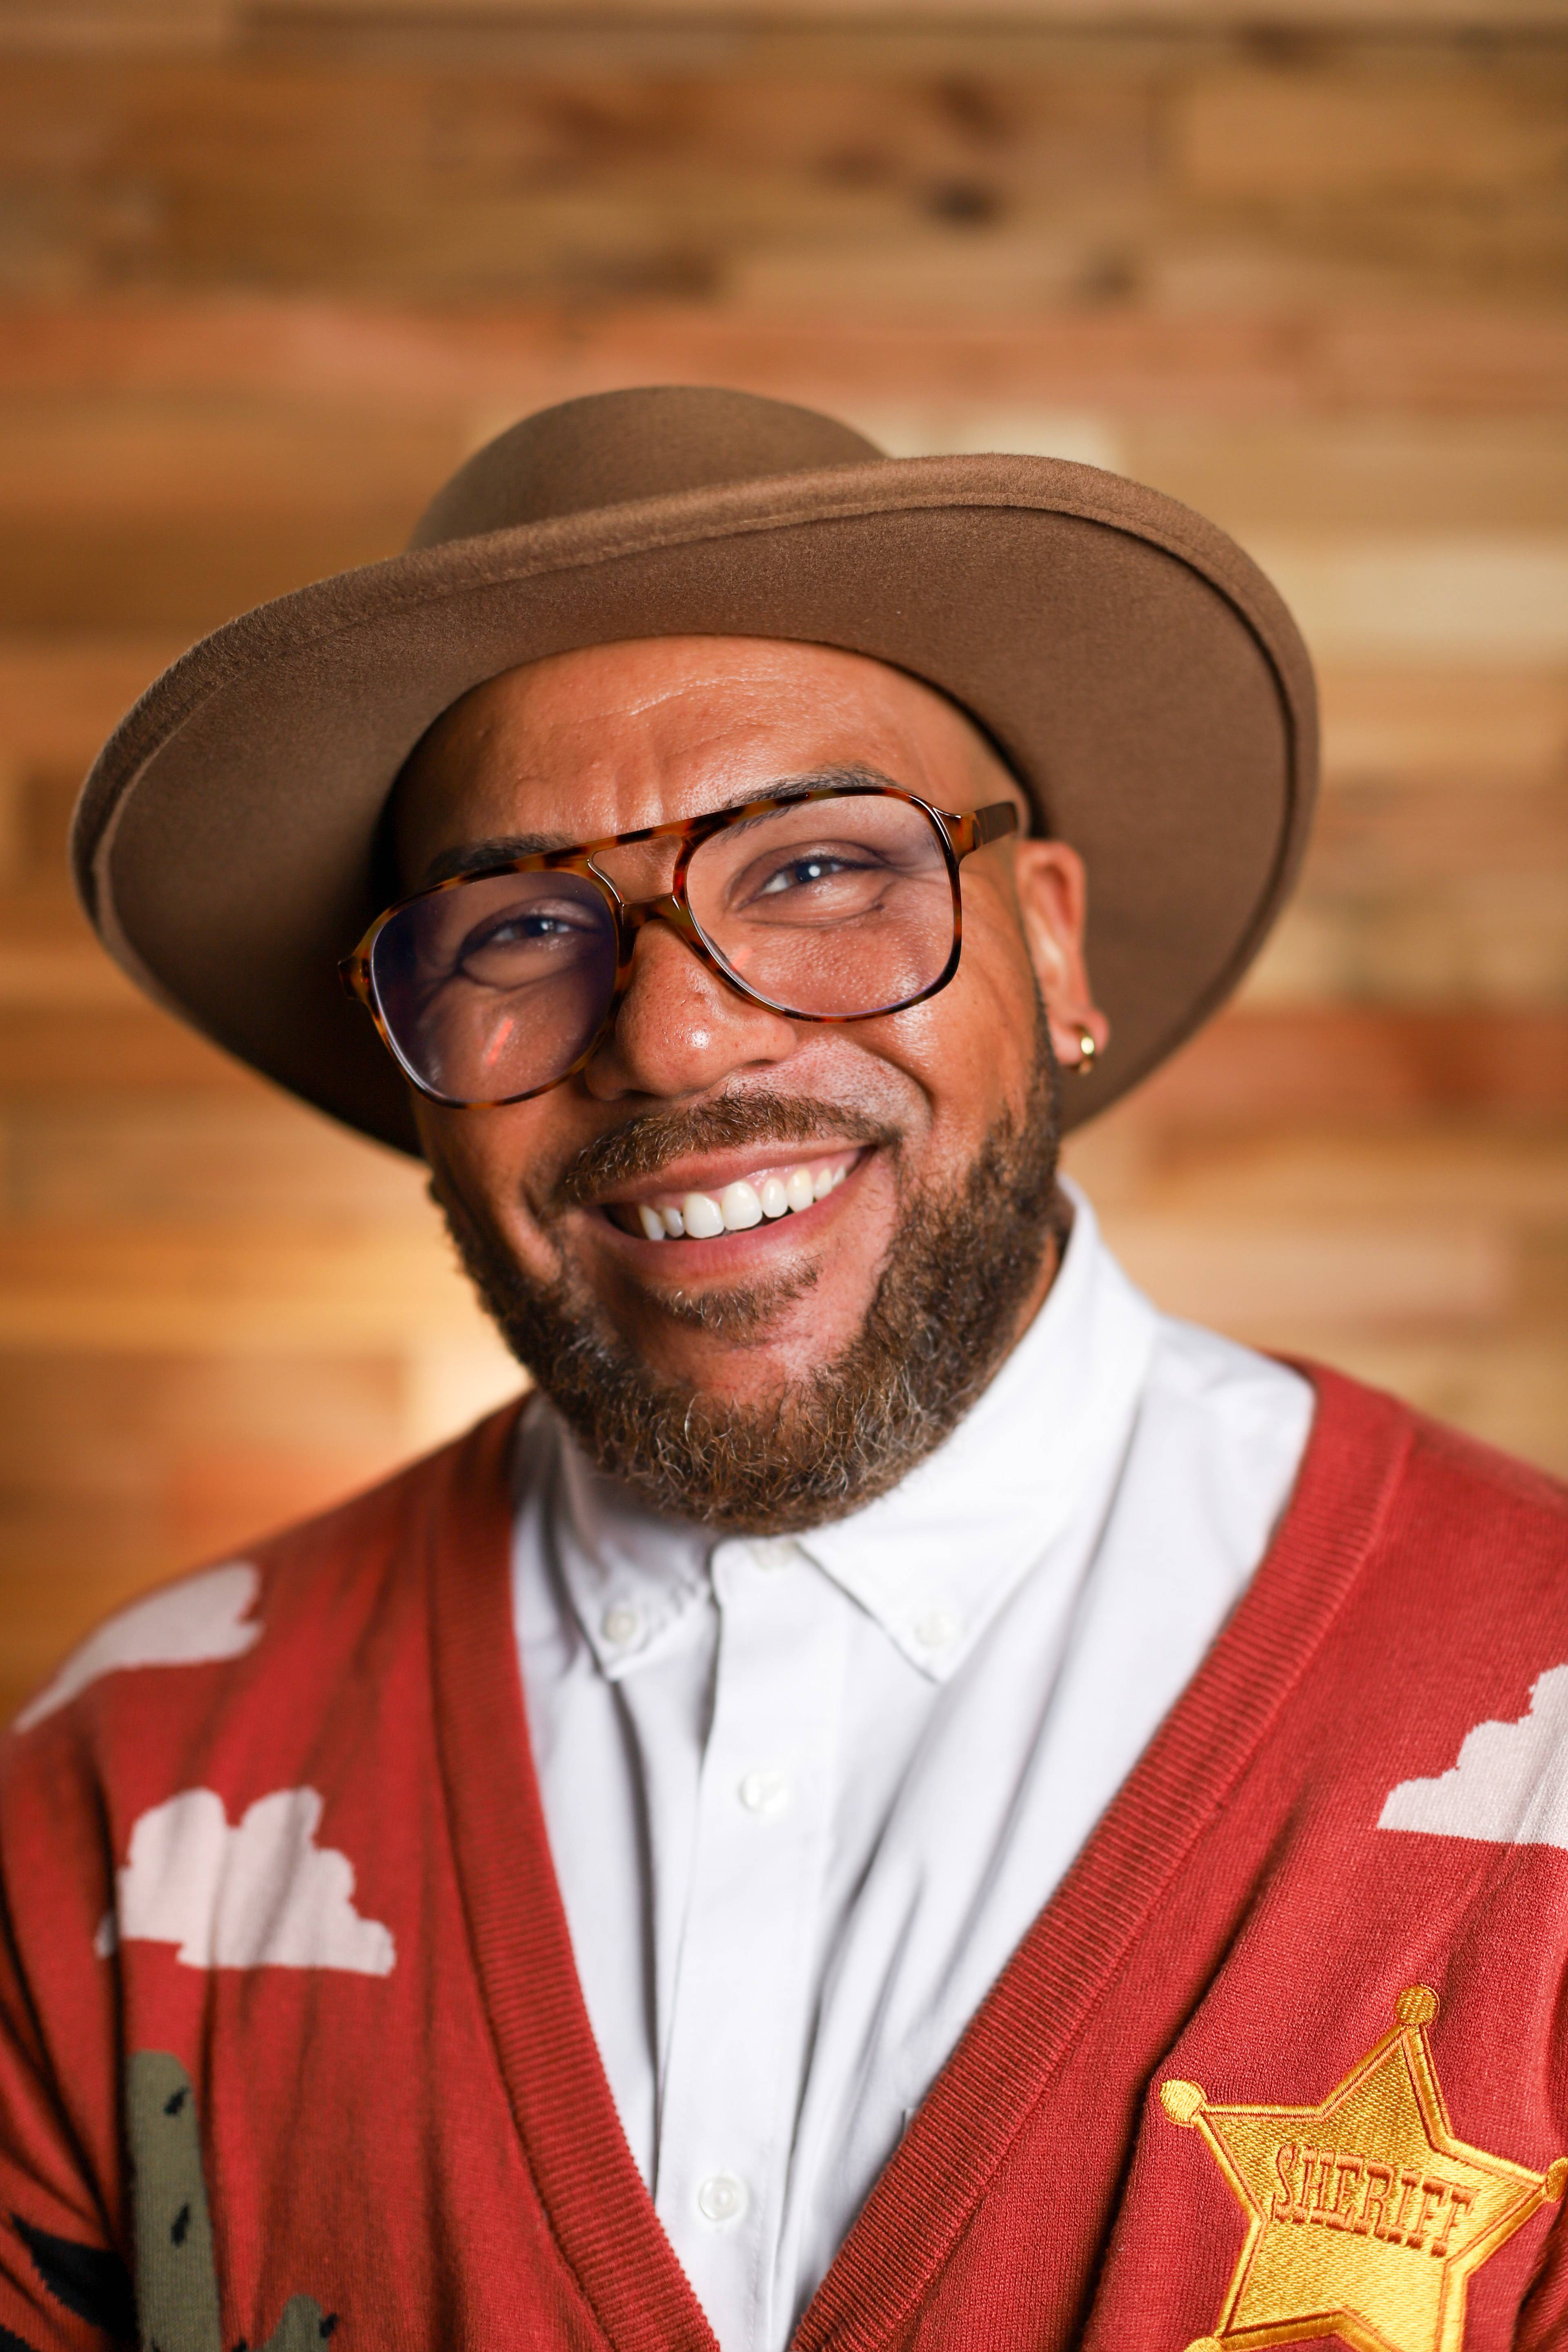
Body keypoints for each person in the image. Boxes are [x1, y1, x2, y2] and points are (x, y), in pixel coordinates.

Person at [2, 388, 1565, 2352]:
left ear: (1051, 951)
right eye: (519, 929)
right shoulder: (127, 1796)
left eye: (818, 873)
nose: (673, 1041)